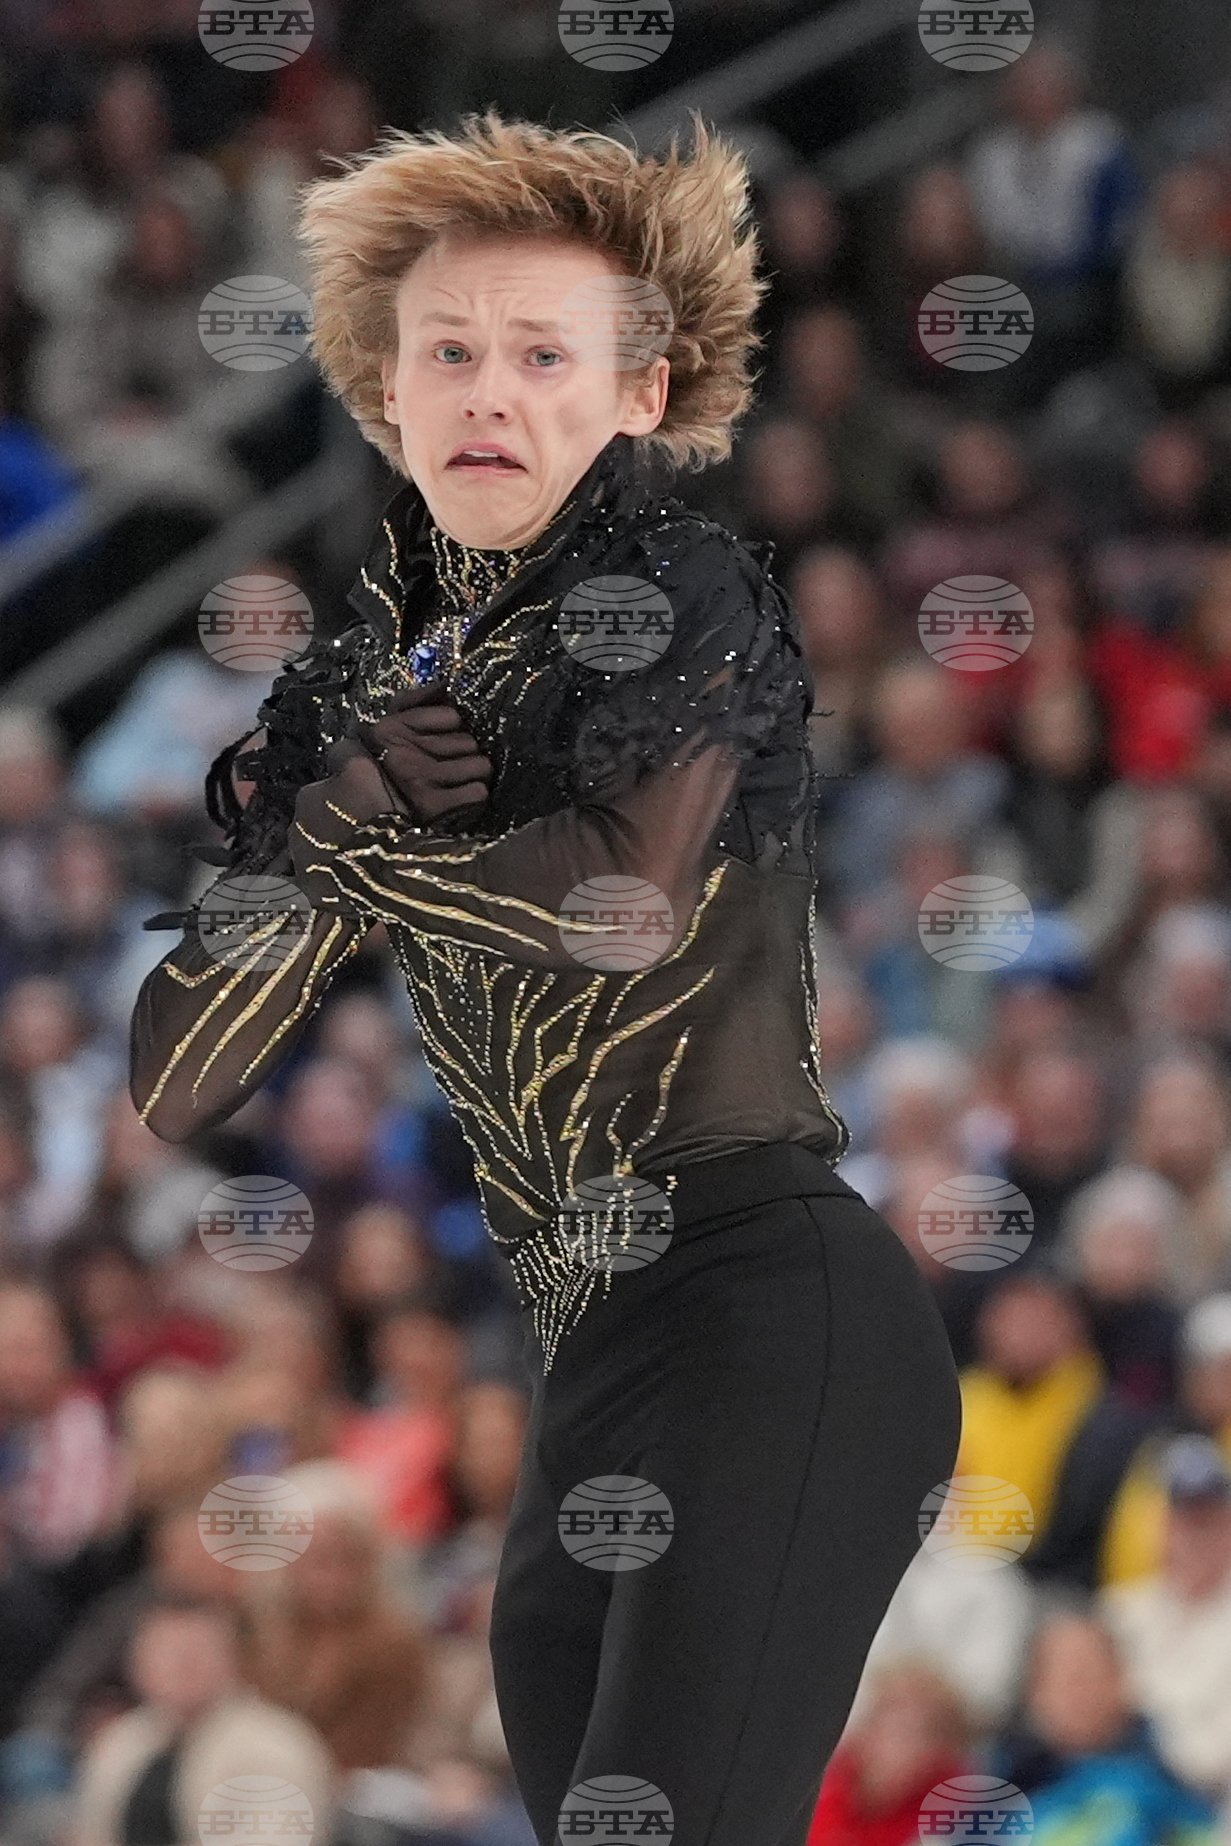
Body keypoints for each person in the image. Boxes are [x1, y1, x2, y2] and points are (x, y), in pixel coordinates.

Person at [129, 112, 962, 1846]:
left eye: (539, 354)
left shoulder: (683, 584)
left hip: (771, 1306)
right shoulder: (377, 651)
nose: (486, 392)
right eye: (446, 352)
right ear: (384, 388)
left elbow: (623, 908)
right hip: (583, 1359)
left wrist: (353, 844)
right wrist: (341, 794)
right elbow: (177, 1075)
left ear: (641, 396)